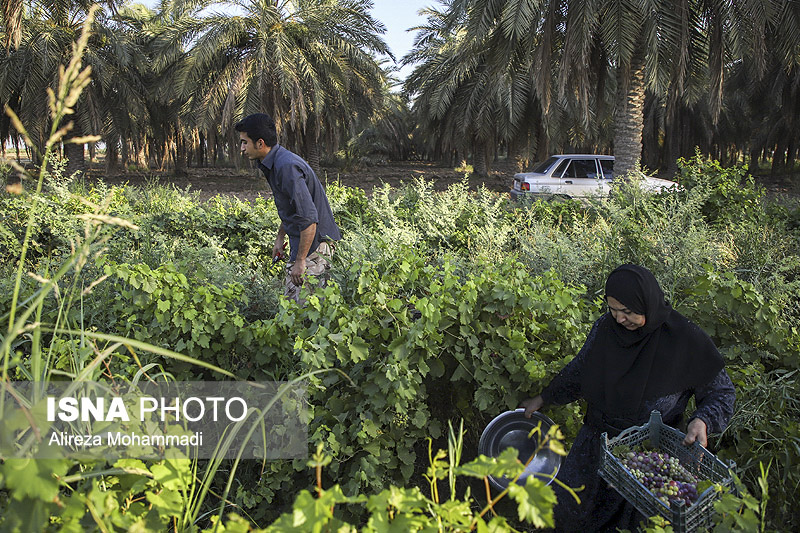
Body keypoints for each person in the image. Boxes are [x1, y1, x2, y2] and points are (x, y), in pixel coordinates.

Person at [520, 264, 735, 532]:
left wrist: (703, 420)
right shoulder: (606, 329)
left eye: (629, 312)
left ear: (648, 303)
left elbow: (720, 392)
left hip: (648, 457)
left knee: (634, 524)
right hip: (596, 445)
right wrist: (544, 397)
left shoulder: (684, 340)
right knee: (569, 512)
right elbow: (580, 370)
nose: (620, 319)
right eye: (613, 309)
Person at [235, 113, 342, 304]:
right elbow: (291, 207)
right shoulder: (273, 163)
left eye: (244, 142)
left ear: (260, 143)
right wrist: (280, 236)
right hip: (304, 244)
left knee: (302, 312)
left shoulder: (286, 166)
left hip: (314, 247)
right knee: (296, 309)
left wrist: (301, 261)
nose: (242, 148)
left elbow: (309, 219)